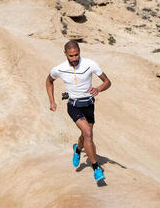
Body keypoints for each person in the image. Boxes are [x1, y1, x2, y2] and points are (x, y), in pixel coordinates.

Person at [46, 40, 112, 181]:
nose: (74, 58)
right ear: (65, 54)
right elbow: (49, 81)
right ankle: (96, 169)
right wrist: (52, 101)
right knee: (88, 133)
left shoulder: (90, 64)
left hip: (89, 105)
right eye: (71, 56)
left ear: (80, 52)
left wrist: (98, 89)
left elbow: (107, 82)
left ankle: (77, 149)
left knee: (86, 135)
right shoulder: (59, 69)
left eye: (76, 55)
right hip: (74, 106)